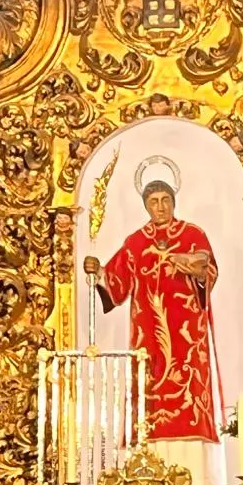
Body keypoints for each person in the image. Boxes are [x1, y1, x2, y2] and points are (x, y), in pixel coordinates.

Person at [83, 170, 220, 451]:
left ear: (174, 201)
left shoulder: (193, 234)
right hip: (149, 338)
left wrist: (194, 265)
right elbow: (116, 285)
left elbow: (208, 270)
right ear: (146, 205)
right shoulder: (135, 242)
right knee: (148, 390)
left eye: (165, 199)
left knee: (189, 385)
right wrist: (97, 272)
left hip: (187, 335)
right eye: (154, 201)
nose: (160, 206)